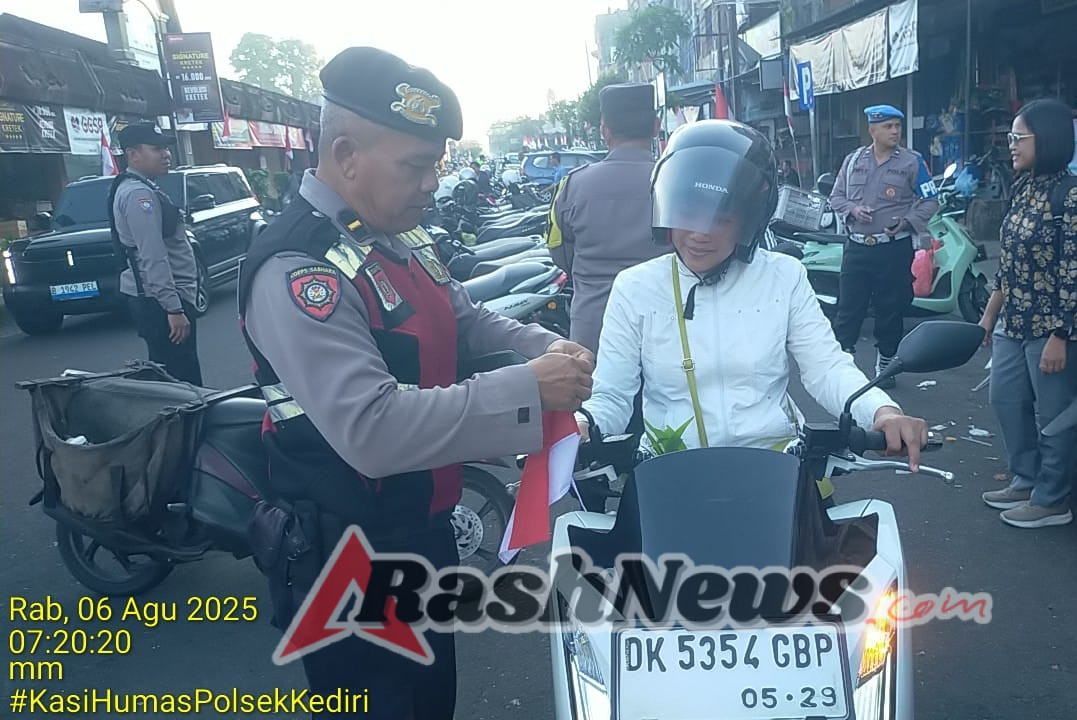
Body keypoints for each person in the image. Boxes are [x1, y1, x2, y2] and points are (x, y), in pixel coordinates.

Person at [238, 46, 594, 720]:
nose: (433, 182)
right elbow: (372, 430)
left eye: (436, 164)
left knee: (430, 699)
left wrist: (548, 347)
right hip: (349, 554)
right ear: (346, 156)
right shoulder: (299, 268)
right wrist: (530, 386)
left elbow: (466, 318)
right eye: (415, 166)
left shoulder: (396, 236)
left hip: (418, 529)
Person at [577, 120, 928, 472]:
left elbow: (826, 367)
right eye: (689, 213)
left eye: (721, 219)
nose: (700, 234)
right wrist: (583, 424)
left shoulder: (784, 276)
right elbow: (612, 394)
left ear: (749, 221)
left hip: (777, 470)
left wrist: (882, 410)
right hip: (669, 473)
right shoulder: (635, 287)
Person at [978, 98, 1077, 529]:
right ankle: (1025, 478)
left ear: (1045, 139)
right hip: (1013, 322)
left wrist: (1061, 335)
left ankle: (1052, 499)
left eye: (1018, 137)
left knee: (1054, 418)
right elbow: (1008, 263)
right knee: (1005, 399)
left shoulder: (1075, 195)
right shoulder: (1024, 187)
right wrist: (989, 316)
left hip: (1052, 328)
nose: (1011, 144)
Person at [546, 83, 665, 356]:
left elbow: (559, 253)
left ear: (604, 131)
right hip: (666, 327)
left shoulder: (572, 185)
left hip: (595, 331)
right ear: (656, 127)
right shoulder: (675, 181)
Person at [828, 105, 939, 387]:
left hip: (893, 248)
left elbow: (930, 200)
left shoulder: (912, 162)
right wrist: (853, 210)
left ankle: (886, 363)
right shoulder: (853, 160)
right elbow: (836, 197)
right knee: (848, 308)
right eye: (888, 126)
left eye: (897, 126)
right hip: (857, 247)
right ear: (872, 130)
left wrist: (907, 221)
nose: (894, 131)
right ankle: (843, 363)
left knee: (891, 308)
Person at [109, 122, 203, 385]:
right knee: (183, 384)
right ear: (133, 154)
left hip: (159, 297)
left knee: (174, 377)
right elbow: (153, 254)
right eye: (156, 149)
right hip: (159, 301)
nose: (166, 155)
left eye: (166, 149)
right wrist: (173, 308)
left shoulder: (142, 187)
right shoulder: (139, 195)